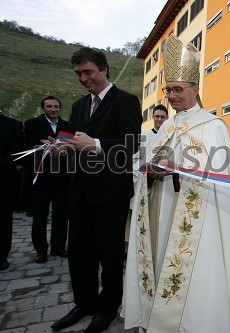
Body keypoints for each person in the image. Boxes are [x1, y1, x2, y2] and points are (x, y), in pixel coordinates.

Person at [122, 35, 230, 332]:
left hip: (197, 215)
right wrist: (148, 170)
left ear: (195, 89)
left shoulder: (213, 126)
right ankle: (154, 316)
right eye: (168, 89)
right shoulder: (166, 126)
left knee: (192, 271)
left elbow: (220, 175)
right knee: (159, 260)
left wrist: (176, 170)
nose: (172, 95)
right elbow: (146, 164)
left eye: (178, 89)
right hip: (158, 207)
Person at [51, 47, 142, 333]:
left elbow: (130, 147)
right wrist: (63, 148)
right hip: (80, 191)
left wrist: (96, 144)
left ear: (103, 69)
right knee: (79, 253)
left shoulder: (125, 101)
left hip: (109, 192)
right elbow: (78, 142)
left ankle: (107, 308)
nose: (83, 78)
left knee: (110, 254)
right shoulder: (79, 106)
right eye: (78, 73)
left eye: (87, 72)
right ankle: (84, 303)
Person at [24, 96, 70, 264]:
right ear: (43, 108)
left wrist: (61, 149)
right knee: (40, 215)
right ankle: (41, 250)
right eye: (49, 106)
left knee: (61, 214)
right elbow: (32, 146)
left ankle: (58, 246)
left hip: (62, 178)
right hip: (41, 176)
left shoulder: (67, 125)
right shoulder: (31, 124)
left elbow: (70, 146)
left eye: (56, 106)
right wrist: (52, 148)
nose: (53, 109)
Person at [0, 113, 24, 271]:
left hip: (2, 182)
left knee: (2, 221)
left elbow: (15, 153)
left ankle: (1, 256)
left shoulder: (12, 125)